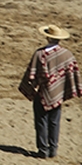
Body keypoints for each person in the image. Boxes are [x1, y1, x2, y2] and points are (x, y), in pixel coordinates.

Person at [19, 24, 82, 159]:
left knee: (41, 121)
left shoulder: (40, 54)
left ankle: (43, 150)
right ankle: (53, 150)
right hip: (58, 94)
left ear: (48, 37)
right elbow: (72, 73)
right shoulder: (67, 54)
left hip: (42, 93)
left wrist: (30, 88)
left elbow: (31, 75)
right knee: (55, 121)